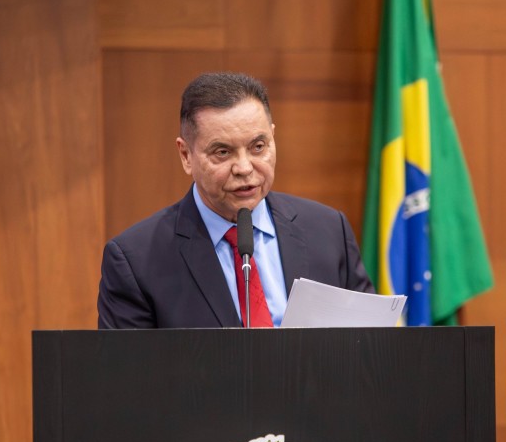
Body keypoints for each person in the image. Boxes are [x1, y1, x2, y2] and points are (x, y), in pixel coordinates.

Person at [97, 72, 372, 329]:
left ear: (273, 138)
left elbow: (371, 342)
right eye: (222, 152)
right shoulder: (136, 261)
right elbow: (128, 366)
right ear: (186, 155)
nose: (244, 168)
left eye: (258, 147)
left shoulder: (328, 231)